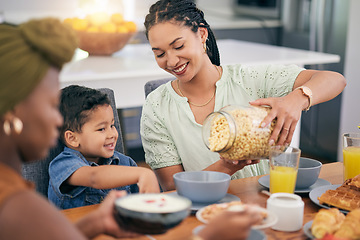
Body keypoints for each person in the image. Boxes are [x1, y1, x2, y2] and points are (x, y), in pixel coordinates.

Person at [0, 17, 263, 240]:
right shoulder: (16, 207)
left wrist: (93, 224)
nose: (57, 120)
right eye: (49, 104)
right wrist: (206, 235)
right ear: (13, 112)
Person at [140, 0, 347, 191]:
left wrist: (296, 99)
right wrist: (227, 166)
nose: (171, 60)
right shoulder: (157, 106)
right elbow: (173, 188)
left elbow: (335, 79)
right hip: (206, 213)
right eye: (159, 54)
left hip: (268, 201)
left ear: (202, 35)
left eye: (178, 46)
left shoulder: (249, 79)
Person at [48, 85, 160, 209]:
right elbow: (93, 177)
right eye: (101, 129)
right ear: (72, 138)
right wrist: (144, 174)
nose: (112, 134)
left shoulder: (125, 163)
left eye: (112, 125)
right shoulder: (62, 164)